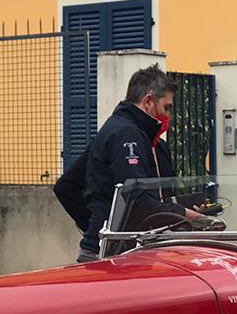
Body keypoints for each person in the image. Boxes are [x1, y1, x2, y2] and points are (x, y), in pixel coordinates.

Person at [54, 64, 180, 262]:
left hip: (137, 246)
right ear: (148, 102)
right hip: (112, 251)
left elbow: (159, 196)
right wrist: (102, 226)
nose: (169, 116)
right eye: (167, 107)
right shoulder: (124, 134)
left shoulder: (151, 144)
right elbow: (137, 199)